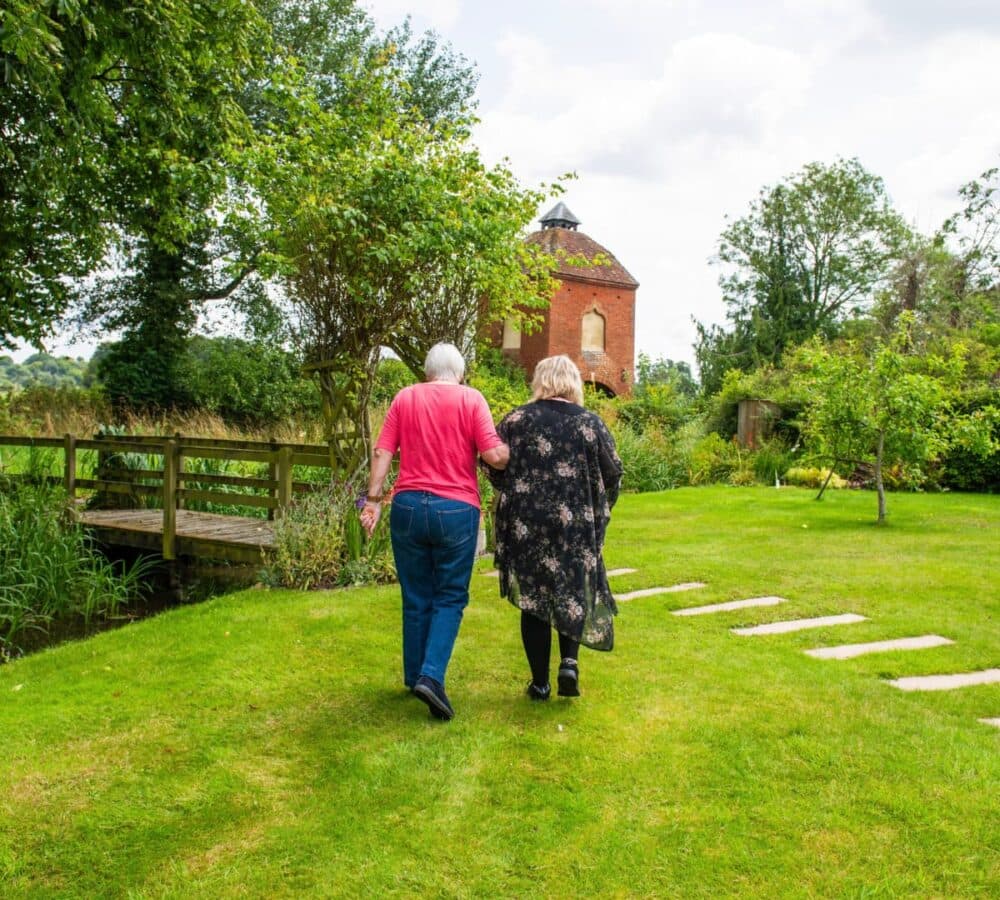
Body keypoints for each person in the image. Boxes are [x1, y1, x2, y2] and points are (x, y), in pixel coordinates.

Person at [361, 342, 509, 721]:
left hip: (407, 506)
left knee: (415, 594)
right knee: (449, 596)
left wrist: (374, 500)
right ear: (459, 372)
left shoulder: (405, 398)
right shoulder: (472, 399)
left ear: (427, 371)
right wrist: (515, 450)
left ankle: (414, 677)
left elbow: (382, 452)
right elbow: (493, 455)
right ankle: (431, 676)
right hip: (456, 509)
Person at [483, 355, 623, 701]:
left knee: (534, 600)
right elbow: (613, 472)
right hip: (574, 526)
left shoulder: (516, 420)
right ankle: (570, 664)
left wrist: (514, 487)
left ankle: (540, 683)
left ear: (540, 381)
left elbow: (493, 465)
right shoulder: (590, 424)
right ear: (574, 383)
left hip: (527, 526)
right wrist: (599, 505)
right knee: (571, 591)